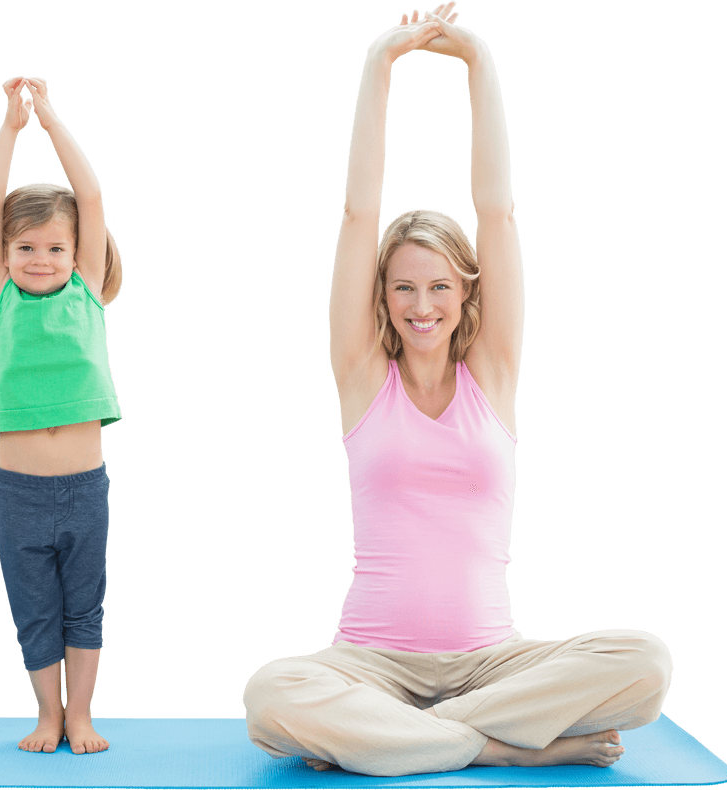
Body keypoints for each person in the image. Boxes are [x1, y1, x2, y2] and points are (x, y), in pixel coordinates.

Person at [240, 3, 673, 777]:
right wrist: (380, 66)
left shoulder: (494, 375)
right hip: (369, 662)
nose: (421, 306)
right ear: (384, 296)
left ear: (466, 293)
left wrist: (479, 65)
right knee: (272, 697)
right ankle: (501, 748)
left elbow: (497, 211)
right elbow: (356, 213)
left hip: (492, 663)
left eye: (440, 286)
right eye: (403, 288)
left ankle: (399, 740)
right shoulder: (363, 377)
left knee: (645, 664)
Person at [0, 75, 123, 755]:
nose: (41, 259)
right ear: (5, 255)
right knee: (33, 607)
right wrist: (9, 129)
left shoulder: (87, 292)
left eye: (55, 248)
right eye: (27, 247)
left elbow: (88, 198)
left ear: (76, 253)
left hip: (85, 487)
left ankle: (83, 714)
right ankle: (48, 715)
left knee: (83, 607)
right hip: (21, 492)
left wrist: (51, 119)